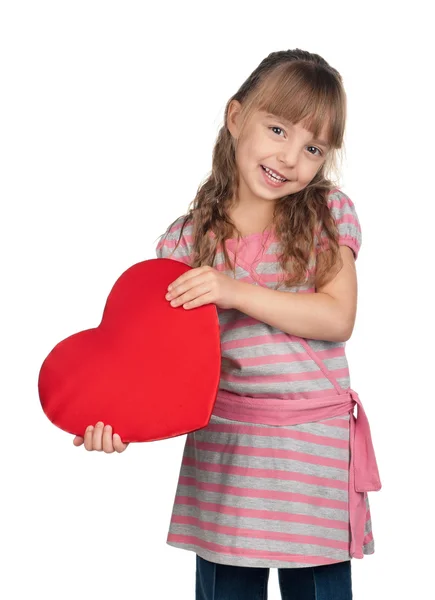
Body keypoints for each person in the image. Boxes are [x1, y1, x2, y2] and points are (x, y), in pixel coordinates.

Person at [73, 48, 381, 600]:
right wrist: (112, 418)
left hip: (310, 459)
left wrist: (232, 290)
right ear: (236, 117)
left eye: (312, 147)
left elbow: (338, 317)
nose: (290, 157)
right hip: (226, 458)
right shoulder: (186, 242)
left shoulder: (325, 215)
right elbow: (156, 365)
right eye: (278, 129)